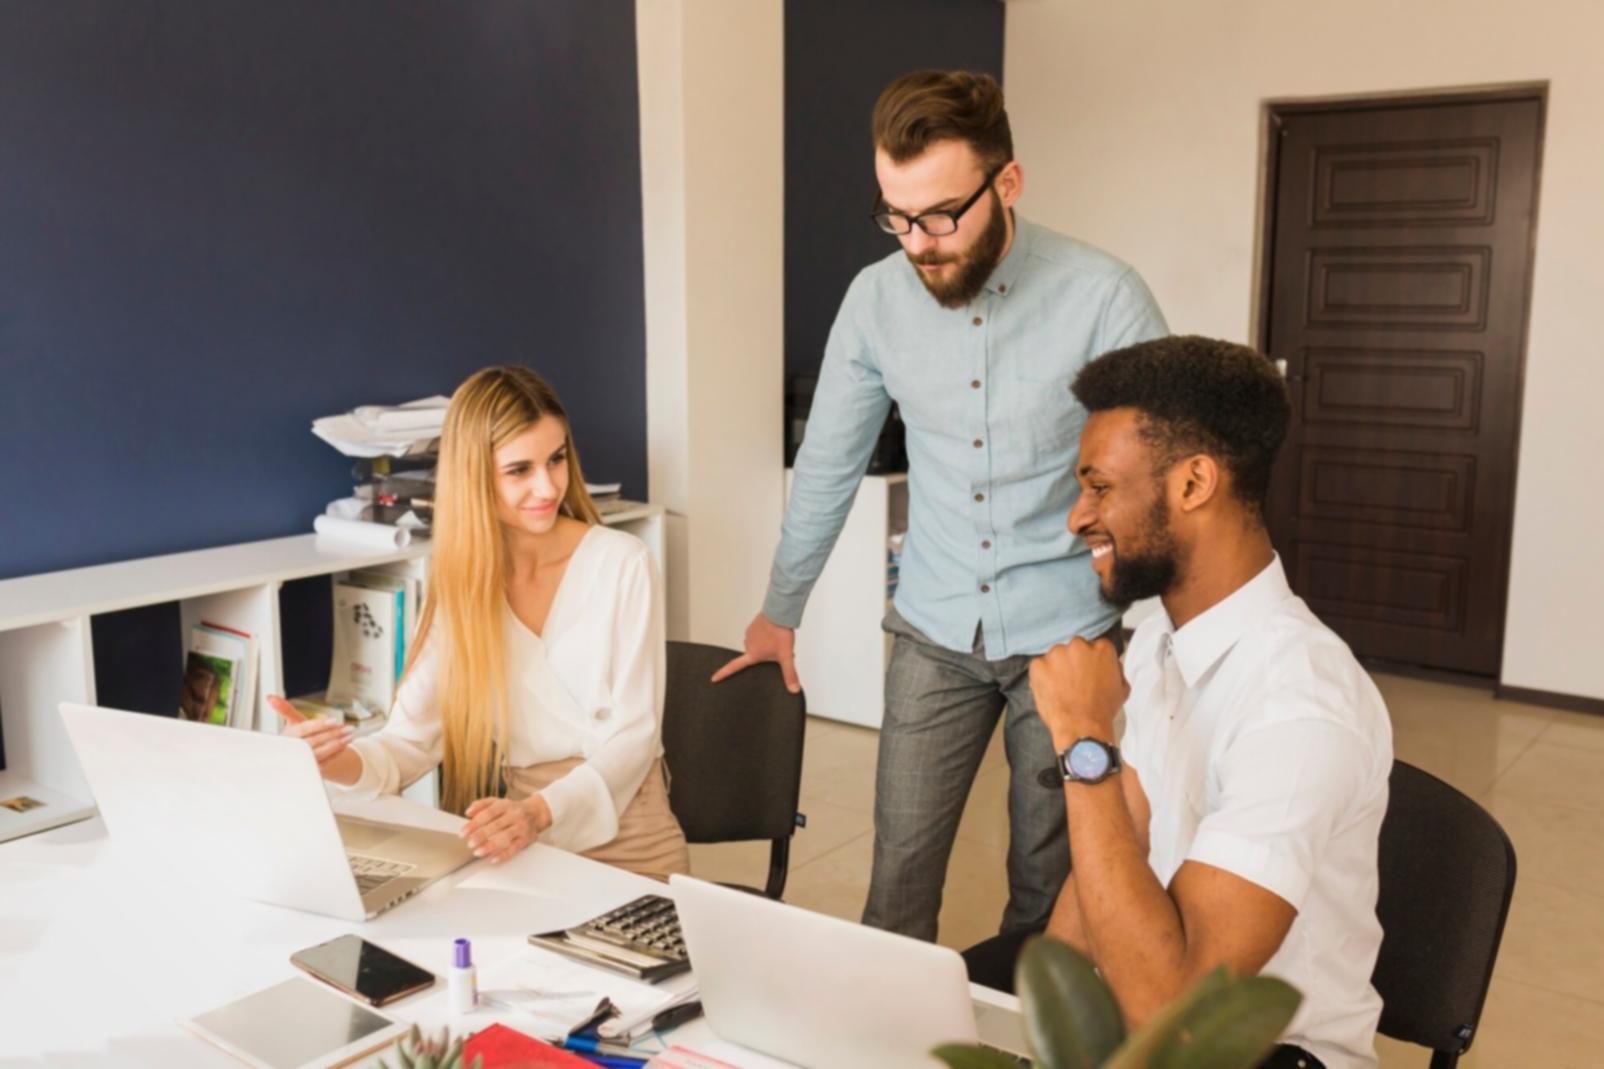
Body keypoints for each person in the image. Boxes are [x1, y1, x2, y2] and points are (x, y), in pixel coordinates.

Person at [713, 70, 1168, 941]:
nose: (918, 243)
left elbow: (1170, 472)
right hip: (934, 625)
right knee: (897, 882)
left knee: (1050, 884)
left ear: (1008, 183)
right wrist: (781, 610)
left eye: (940, 215)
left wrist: (1166, 641)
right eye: (896, 214)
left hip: (1069, 630)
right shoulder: (875, 300)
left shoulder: (1104, 296)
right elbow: (826, 467)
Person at [1019, 335, 1392, 1068]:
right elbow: (1117, 836)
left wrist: (1083, 735)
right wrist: (1039, 1037)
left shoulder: (1300, 706)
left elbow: (1176, 1014)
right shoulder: (1161, 633)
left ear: (1193, 484)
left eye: (1099, 487)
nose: (1076, 517)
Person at [271, 366, 689, 881]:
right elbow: (407, 744)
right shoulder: (462, 587)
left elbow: (634, 737)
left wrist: (539, 812)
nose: (547, 486)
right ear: (475, 476)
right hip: (520, 838)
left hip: (628, 832)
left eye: (556, 459)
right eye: (519, 470)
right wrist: (330, 762)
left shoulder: (623, 563)